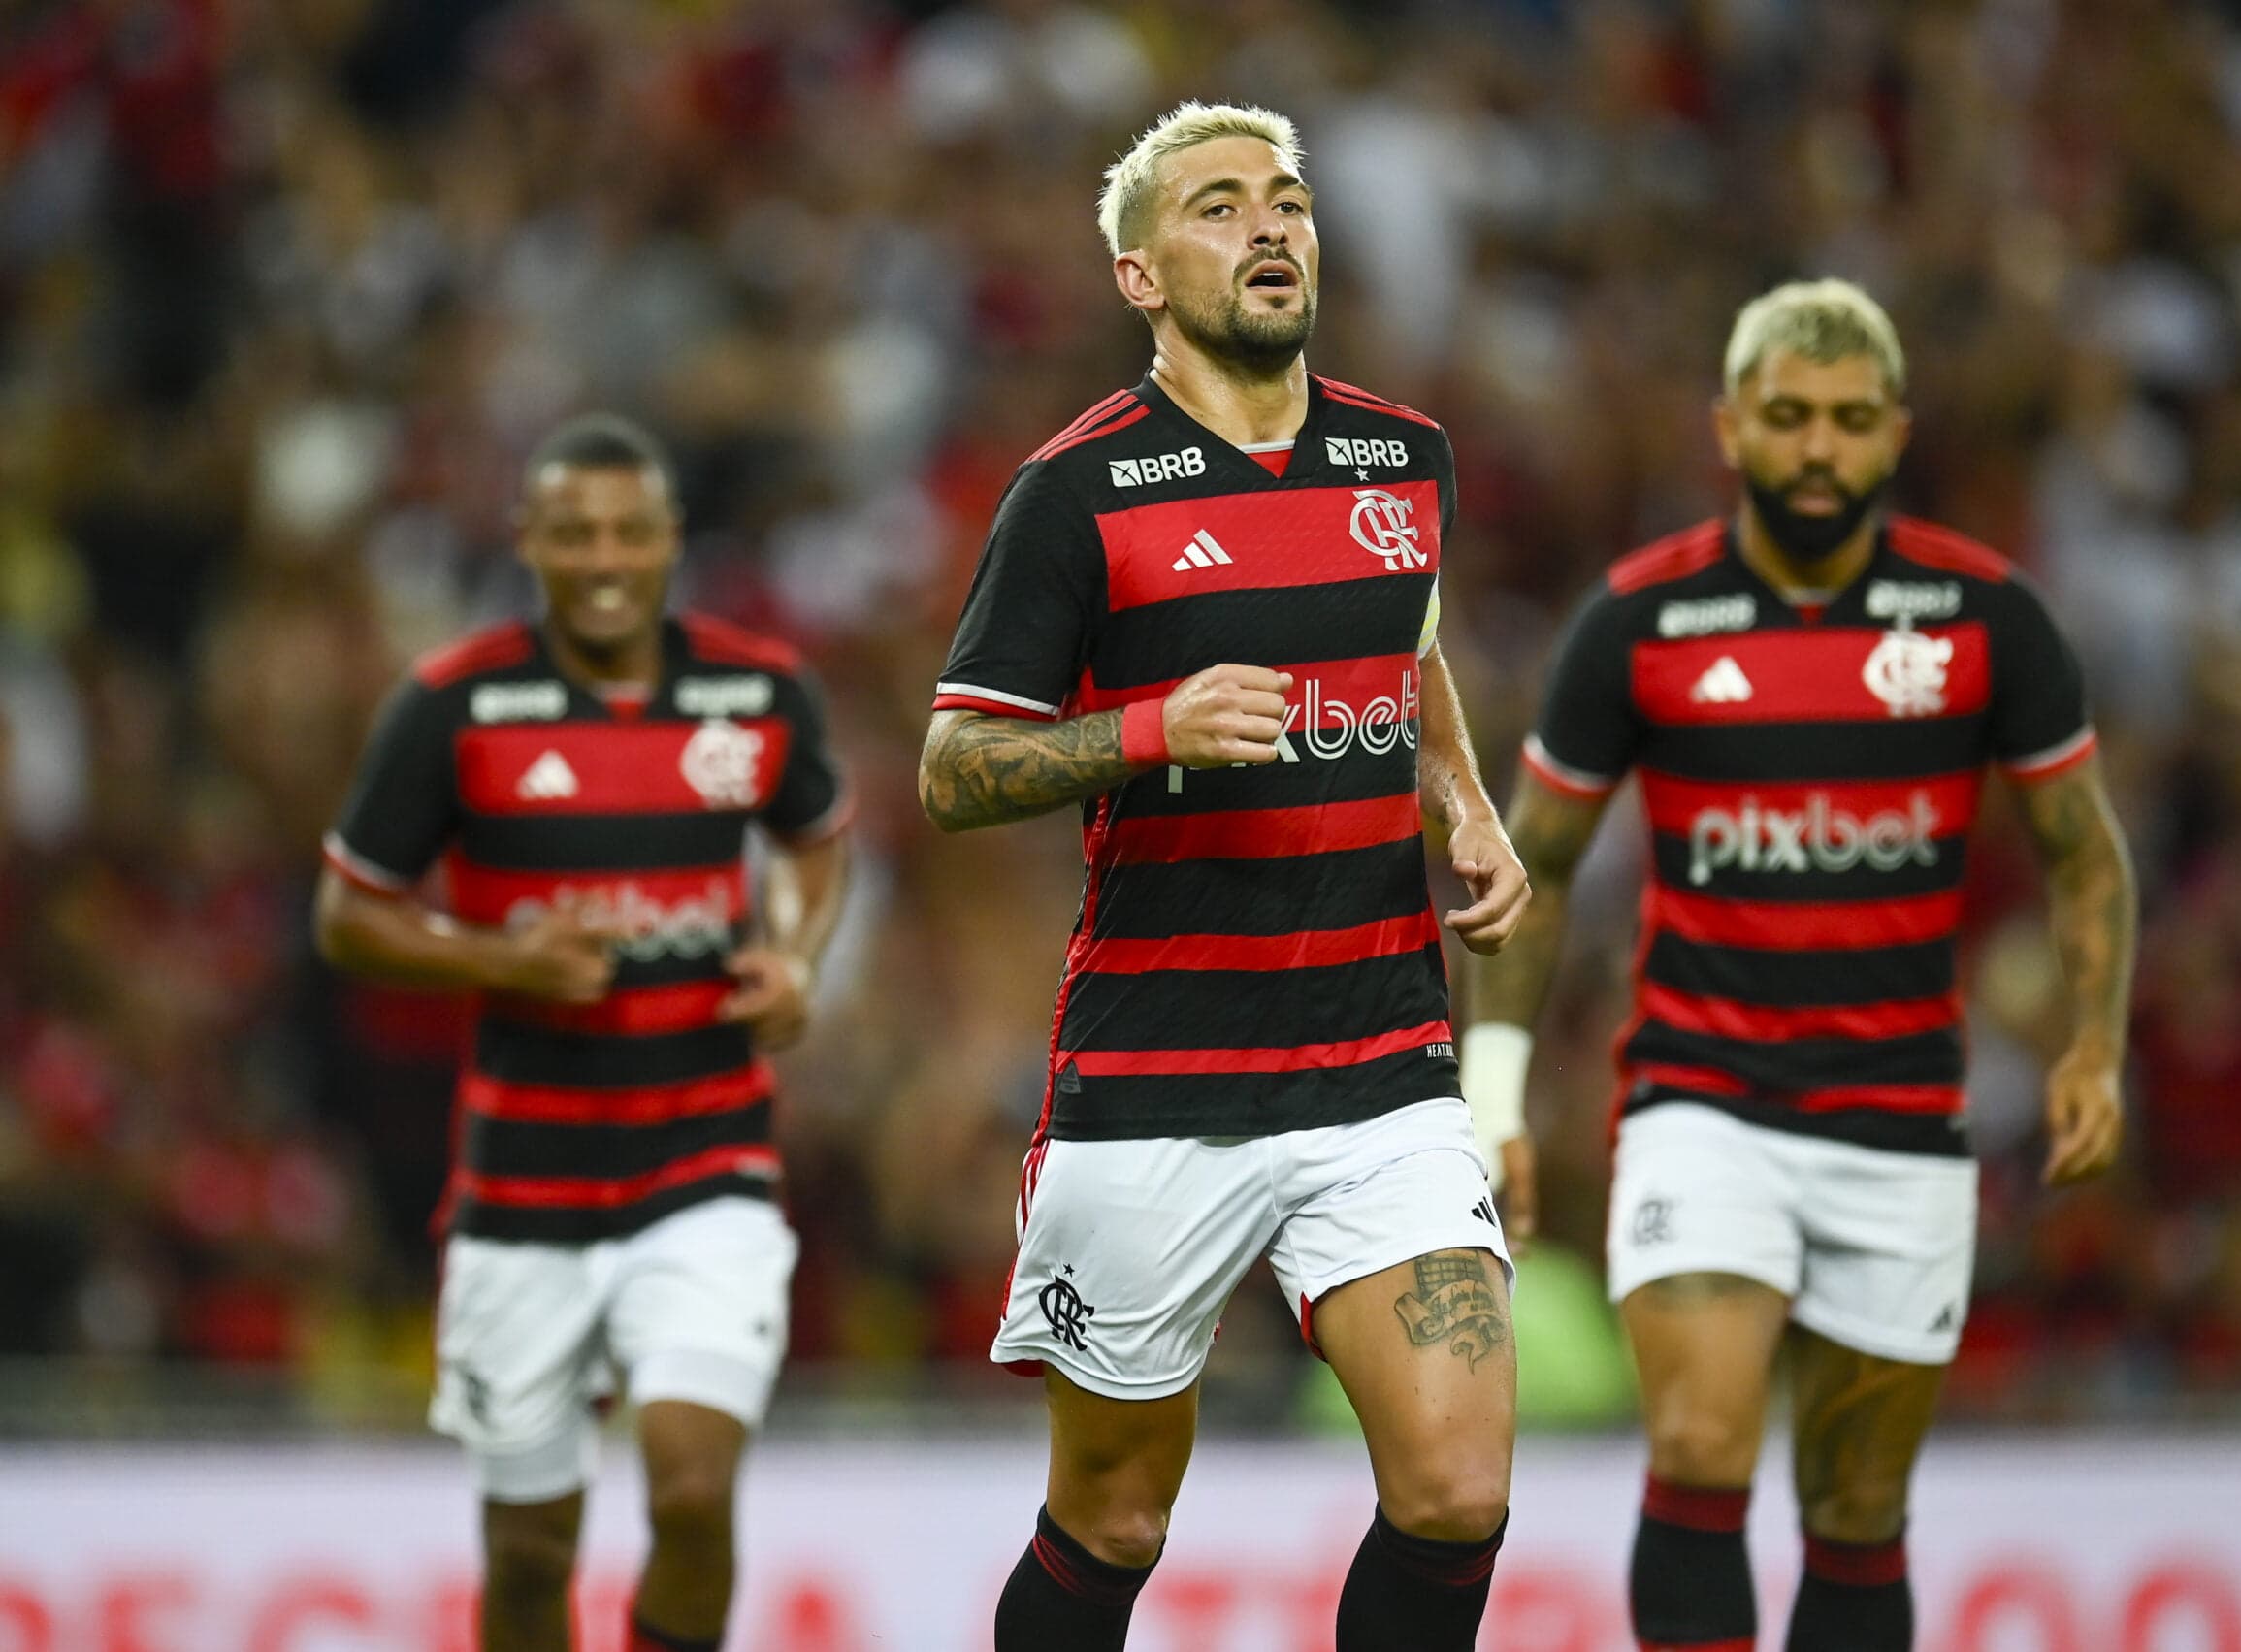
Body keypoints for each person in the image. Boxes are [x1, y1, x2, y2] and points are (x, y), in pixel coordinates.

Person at [918, 102, 1530, 1651]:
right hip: (1155, 1073)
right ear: (1141, 275)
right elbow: (952, 768)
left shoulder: (1405, 455)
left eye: (1286, 201)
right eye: (1217, 208)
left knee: (1456, 1486)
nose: (1267, 227)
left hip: (1381, 1057)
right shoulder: (1079, 492)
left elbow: (1413, 643)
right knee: (1115, 1515)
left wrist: (1461, 797)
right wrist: (1146, 727)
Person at [1464, 279, 2137, 1652]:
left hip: (1900, 1115)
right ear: (1730, 426)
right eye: (1785, 417)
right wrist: (1493, 1092)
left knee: (1857, 1501)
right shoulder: (1643, 622)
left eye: (1844, 420)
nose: (1815, 449)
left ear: (1895, 432)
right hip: (1702, 1099)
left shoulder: (1986, 620)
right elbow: (1523, 868)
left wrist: (2094, 1043)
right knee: (1705, 1440)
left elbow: (2086, 852)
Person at [313, 413, 852, 1652]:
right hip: (519, 1191)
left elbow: (819, 843)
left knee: (693, 1488)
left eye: (627, 531)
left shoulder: (757, 691)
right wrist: (500, 956)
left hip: (704, 1158)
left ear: (670, 540)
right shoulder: (456, 704)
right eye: (572, 533)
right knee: (528, 1551)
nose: (602, 558)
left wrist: (796, 957)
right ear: (529, 543)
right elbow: (348, 911)